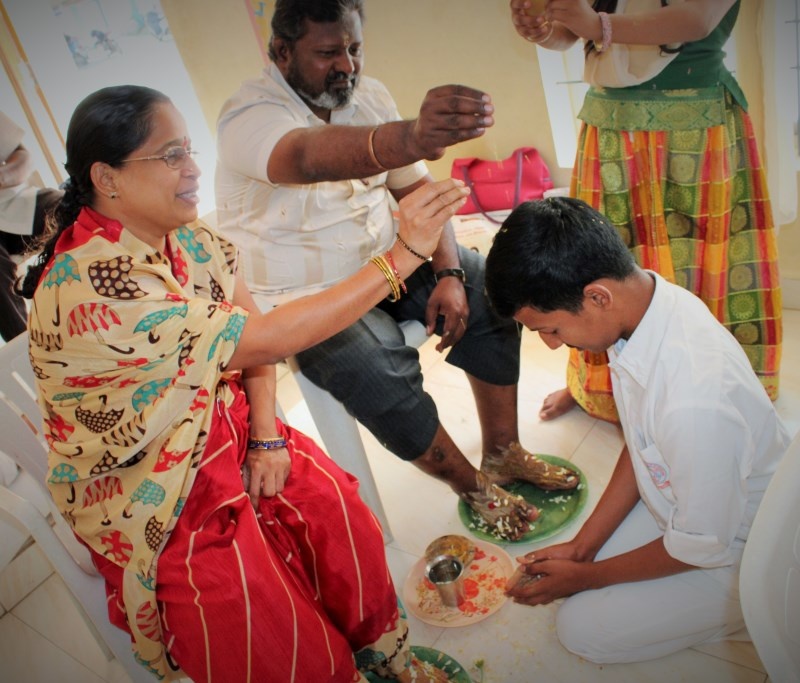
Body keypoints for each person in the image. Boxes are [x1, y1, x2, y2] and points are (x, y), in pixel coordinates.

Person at [20, 84, 467, 682]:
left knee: (335, 509)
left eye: (188, 149)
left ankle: (379, 656)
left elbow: (250, 327)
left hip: (225, 428)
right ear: (108, 177)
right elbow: (267, 340)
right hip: (147, 482)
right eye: (171, 155)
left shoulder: (184, 232)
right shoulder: (93, 281)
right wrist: (403, 254)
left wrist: (266, 436)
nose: (193, 168)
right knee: (250, 605)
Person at [215, 0, 578, 542]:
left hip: (393, 261)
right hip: (307, 297)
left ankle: (503, 454)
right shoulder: (249, 115)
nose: (347, 67)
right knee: (376, 368)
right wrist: (409, 136)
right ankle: (473, 487)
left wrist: (451, 273)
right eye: (327, 53)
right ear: (281, 53)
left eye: (355, 49)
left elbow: (420, 194)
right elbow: (308, 157)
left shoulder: (369, 95)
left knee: (491, 287)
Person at [484, 197, 791, 663]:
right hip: (692, 498)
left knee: (581, 629)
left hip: (742, 544)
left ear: (597, 296)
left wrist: (586, 576)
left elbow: (701, 544)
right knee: (584, 570)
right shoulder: (645, 305)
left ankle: (757, 607)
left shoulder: (694, 402)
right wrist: (584, 547)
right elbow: (642, 441)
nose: (550, 345)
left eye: (551, 329)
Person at [509, 0, 782, 423]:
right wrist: (546, 27)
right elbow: (578, 25)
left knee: (695, 269)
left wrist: (594, 24)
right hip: (610, 124)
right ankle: (605, 387)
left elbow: (694, 19)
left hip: (692, 124)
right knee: (598, 265)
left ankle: (702, 390)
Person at [0, 110, 62, 341]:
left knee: (72, 205)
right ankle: (29, 350)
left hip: (13, 201)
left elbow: (23, 156)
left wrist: (3, 178)